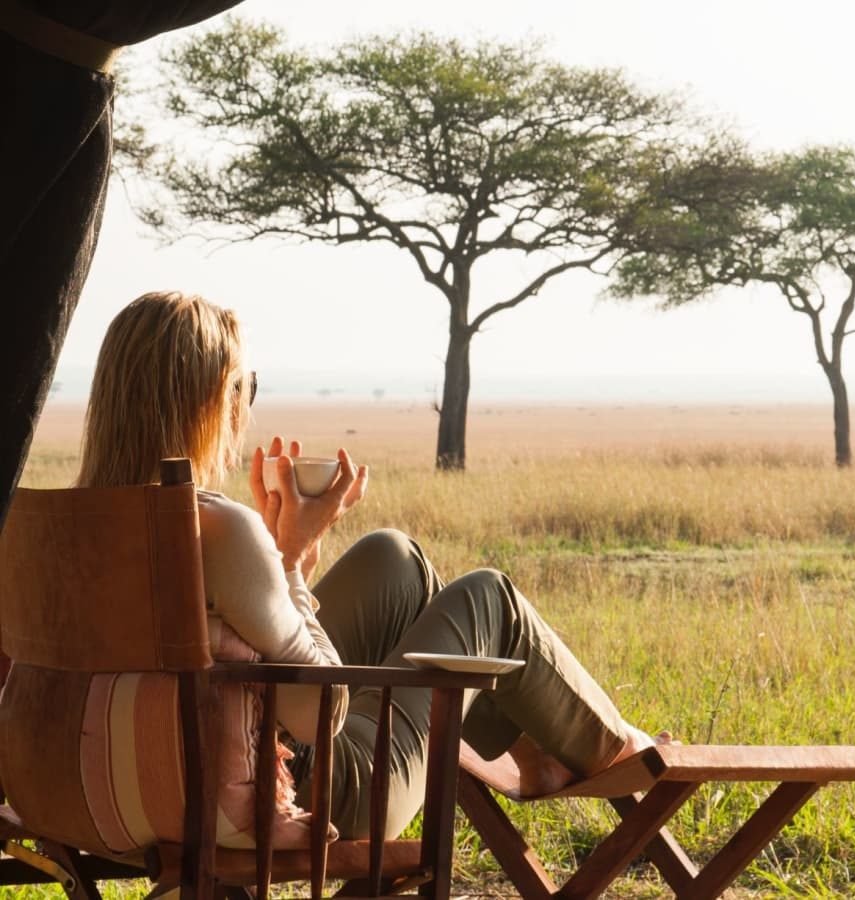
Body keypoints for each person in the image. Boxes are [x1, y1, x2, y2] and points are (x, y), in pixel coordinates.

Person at [76, 290, 660, 840]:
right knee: (489, 598)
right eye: (243, 387)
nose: (245, 408)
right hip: (303, 787)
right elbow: (322, 714)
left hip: (96, 792)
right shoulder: (219, 528)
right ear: (209, 403)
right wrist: (289, 565)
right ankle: (616, 746)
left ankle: (535, 753)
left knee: (394, 559)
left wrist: (282, 559)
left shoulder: (60, 530)